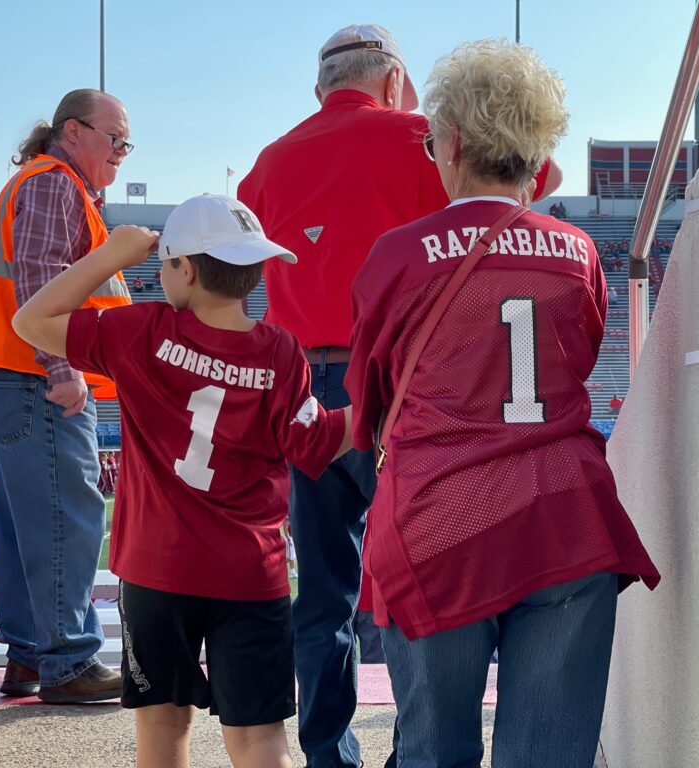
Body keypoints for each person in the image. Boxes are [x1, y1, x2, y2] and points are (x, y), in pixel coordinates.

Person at [239, 24, 561, 766]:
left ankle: (329, 754)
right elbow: (527, 180)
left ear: (319, 89)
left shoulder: (267, 163)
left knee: (323, 593)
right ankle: (414, 751)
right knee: (419, 575)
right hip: (402, 381)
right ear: (392, 81)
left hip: (306, 389)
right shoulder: (421, 138)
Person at [346, 39, 661, 767]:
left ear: (453, 141)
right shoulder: (579, 251)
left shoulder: (399, 253)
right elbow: (576, 360)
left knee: (434, 753)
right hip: (566, 516)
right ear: (536, 154)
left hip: (441, 520)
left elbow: (370, 403)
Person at [13, 194, 354, 768]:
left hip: (157, 571)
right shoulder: (280, 352)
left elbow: (30, 321)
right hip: (250, 573)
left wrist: (111, 256)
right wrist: (374, 410)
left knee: (163, 730)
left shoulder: (140, 331)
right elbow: (315, 442)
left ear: (186, 269)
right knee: (260, 739)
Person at [0, 88, 133, 703]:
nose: (122, 150)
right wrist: (60, 365)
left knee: (24, 523)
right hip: (35, 371)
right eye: (115, 137)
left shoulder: (43, 180)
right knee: (65, 516)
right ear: (73, 132)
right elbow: (41, 275)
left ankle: (30, 655)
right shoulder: (55, 183)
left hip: (11, 368)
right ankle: (68, 659)